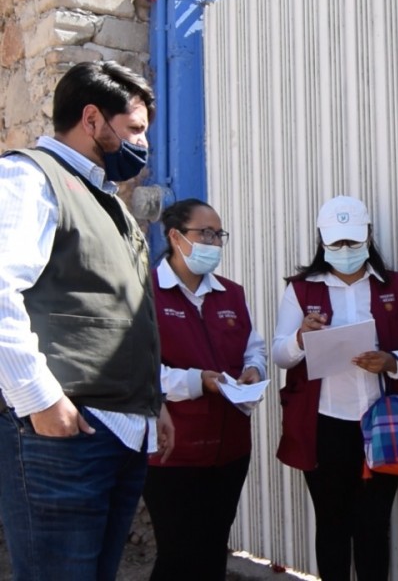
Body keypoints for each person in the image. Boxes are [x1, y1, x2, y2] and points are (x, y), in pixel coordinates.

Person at [0, 60, 174, 581]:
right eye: (136, 130)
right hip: (61, 433)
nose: (142, 145)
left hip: (119, 431)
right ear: (93, 118)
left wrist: (153, 403)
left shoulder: (109, 202)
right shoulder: (29, 176)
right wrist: (39, 397)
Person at [272, 195, 398, 581]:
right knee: (332, 524)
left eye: (353, 243)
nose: (344, 251)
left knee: (374, 526)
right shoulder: (301, 290)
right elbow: (279, 355)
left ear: (369, 236)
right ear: (323, 240)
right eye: (337, 243)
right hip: (325, 425)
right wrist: (300, 338)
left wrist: (392, 362)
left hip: (380, 423)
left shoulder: (393, 285)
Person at [142, 198, 267, 580]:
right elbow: (138, 369)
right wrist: (198, 381)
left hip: (229, 449)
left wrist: (251, 369)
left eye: (219, 234)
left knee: (213, 550)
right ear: (175, 236)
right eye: (205, 233)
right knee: (179, 555)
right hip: (173, 452)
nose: (214, 242)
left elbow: (254, 346)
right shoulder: (145, 291)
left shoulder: (231, 293)